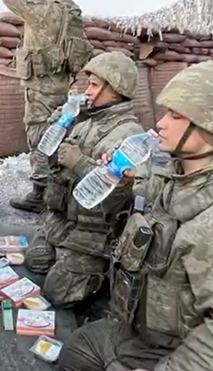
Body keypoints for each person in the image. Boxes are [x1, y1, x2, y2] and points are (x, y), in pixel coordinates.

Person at [58, 60, 213, 371]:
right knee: (79, 347)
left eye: (176, 115)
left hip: (175, 353)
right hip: (142, 334)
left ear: (212, 126)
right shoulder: (177, 179)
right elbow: (147, 206)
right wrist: (122, 182)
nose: (161, 123)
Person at [23, 52, 144, 309]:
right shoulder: (86, 120)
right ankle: (66, 259)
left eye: (94, 85)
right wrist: (57, 134)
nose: (86, 90)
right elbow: (48, 156)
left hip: (94, 232)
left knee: (56, 294)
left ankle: (99, 272)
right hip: (63, 220)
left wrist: (79, 163)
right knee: (35, 260)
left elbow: (128, 194)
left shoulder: (129, 135)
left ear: (116, 88)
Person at [0, 0, 93, 213]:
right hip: (60, 86)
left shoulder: (44, 10)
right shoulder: (73, 14)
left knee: (40, 136)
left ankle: (41, 194)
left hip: (40, 86)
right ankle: (56, 188)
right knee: (55, 134)